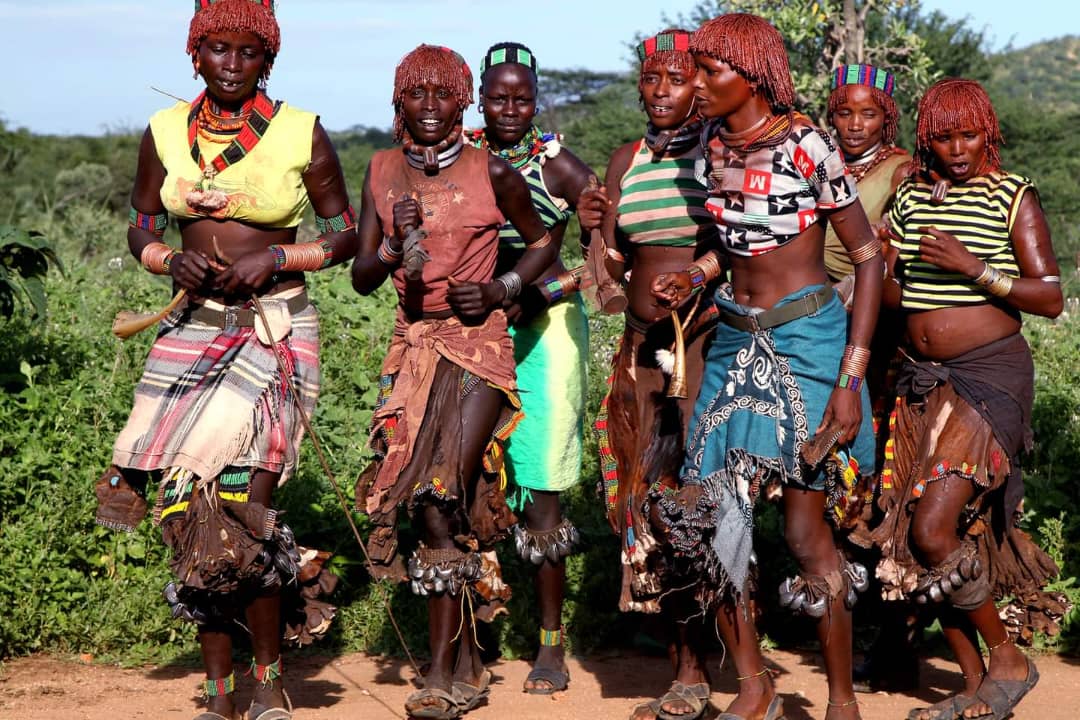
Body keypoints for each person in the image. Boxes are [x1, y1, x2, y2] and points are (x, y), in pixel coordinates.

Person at [93, 2, 357, 719]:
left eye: (247, 52)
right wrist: (167, 259)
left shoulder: (302, 131)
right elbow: (141, 222)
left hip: (274, 328)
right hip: (191, 329)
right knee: (187, 511)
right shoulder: (164, 131)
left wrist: (278, 257)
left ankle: (268, 683)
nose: (232, 64)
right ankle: (219, 693)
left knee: (243, 508)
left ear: (268, 58)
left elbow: (344, 234)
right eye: (217, 49)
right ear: (195, 53)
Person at [650, 14, 883, 720]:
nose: (696, 83)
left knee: (805, 535)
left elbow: (868, 259)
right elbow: (737, 246)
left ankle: (841, 702)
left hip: (808, 343)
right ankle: (754, 684)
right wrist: (695, 275)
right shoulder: (711, 145)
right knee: (706, 519)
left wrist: (850, 381)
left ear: (753, 76)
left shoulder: (808, 144)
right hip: (733, 342)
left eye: (710, 71)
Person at [351, 44, 556, 719]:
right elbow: (362, 276)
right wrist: (391, 243)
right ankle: (467, 658)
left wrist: (503, 286)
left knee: (440, 494)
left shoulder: (491, 170)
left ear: (462, 102)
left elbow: (544, 241)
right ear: (399, 102)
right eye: (418, 94)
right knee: (430, 504)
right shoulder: (381, 171)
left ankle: (438, 677)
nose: (431, 107)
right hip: (412, 349)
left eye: (444, 94)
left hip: (477, 348)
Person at [868, 78, 1066, 720]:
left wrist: (972, 268)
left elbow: (1049, 297)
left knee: (931, 527)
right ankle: (976, 684)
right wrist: (883, 264)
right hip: (919, 377)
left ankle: (1008, 658)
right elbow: (896, 294)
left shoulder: (1012, 195)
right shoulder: (909, 197)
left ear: (989, 134)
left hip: (988, 377)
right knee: (919, 535)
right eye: (944, 137)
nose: (958, 149)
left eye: (970, 135)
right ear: (926, 140)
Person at [577, 28, 720, 720]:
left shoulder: (718, 155)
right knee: (646, 502)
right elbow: (610, 265)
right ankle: (680, 662)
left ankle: (700, 668)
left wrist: (696, 276)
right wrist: (592, 228)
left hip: (705, 346)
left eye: (677, 78)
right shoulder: (626, 159)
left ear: (702, 86)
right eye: (652, 77)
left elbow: (739, 245)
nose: (661, 91)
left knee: (694, 502)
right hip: (640, 352)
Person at [464, 41, 593, 695]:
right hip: (476, 332)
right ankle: (475, 633)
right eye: (498, 98)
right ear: (479, 100)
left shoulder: (559, 166)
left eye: (522, 99)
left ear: (537, 101)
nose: (510, 109)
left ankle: (549, 643)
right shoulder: (462, 159)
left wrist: (539, 293)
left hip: (547, 331)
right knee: (469, 476)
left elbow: (604, 259)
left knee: (540, 484)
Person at [824, 64, 920, 694]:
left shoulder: (903, 172)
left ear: (888, 117)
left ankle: (895, 644)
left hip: (877, 344)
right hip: (821, 337)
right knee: (837, 484)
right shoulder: (821, 164)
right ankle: (850, 628)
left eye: (869, 113)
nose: (855, 125)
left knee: (882, 487)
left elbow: (895, 261)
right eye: (844, 112)